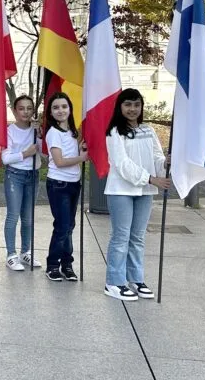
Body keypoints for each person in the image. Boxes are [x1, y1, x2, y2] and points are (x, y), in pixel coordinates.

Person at [103, 88, 169, 301]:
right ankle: (114, 281)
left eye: (136, 105)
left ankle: (135, 278)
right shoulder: (114, 131)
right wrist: (150, 178)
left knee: (137, 237)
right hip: (121, 190)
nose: (132, 109)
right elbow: (122, 164)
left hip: (145, 191)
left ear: (141, 107)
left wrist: (165, 163)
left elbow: (157, 157)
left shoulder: (148, 130)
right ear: (120, 107)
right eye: (128, 105)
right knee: (121, 237)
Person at [43, 92, 87, 282]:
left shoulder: (73, 132)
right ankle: (53, 264)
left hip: (73, 183)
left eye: (64, 106)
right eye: (55, 107)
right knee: (62, 226)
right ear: (51, 113)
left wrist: (81, 148)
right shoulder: (53, 133)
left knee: (69, 225)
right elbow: (59, 161)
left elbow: (73, 153)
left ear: (70, 109)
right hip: (58, 184)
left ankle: (67, 264)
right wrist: (82, 158)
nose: (60, 110)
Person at [1, 95, 43, 271]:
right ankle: (11, 254)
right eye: (21, 108)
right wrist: (25, 154)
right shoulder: (10, 130)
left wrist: (39, 134)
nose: (25, 112)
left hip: (32, 175)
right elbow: (5, 158)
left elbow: (44, 153)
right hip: (15, 176)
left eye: (29, 108)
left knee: (28, 217)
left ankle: (26, 251)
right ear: (14, 110)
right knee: (13, 215)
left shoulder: (35, 130)